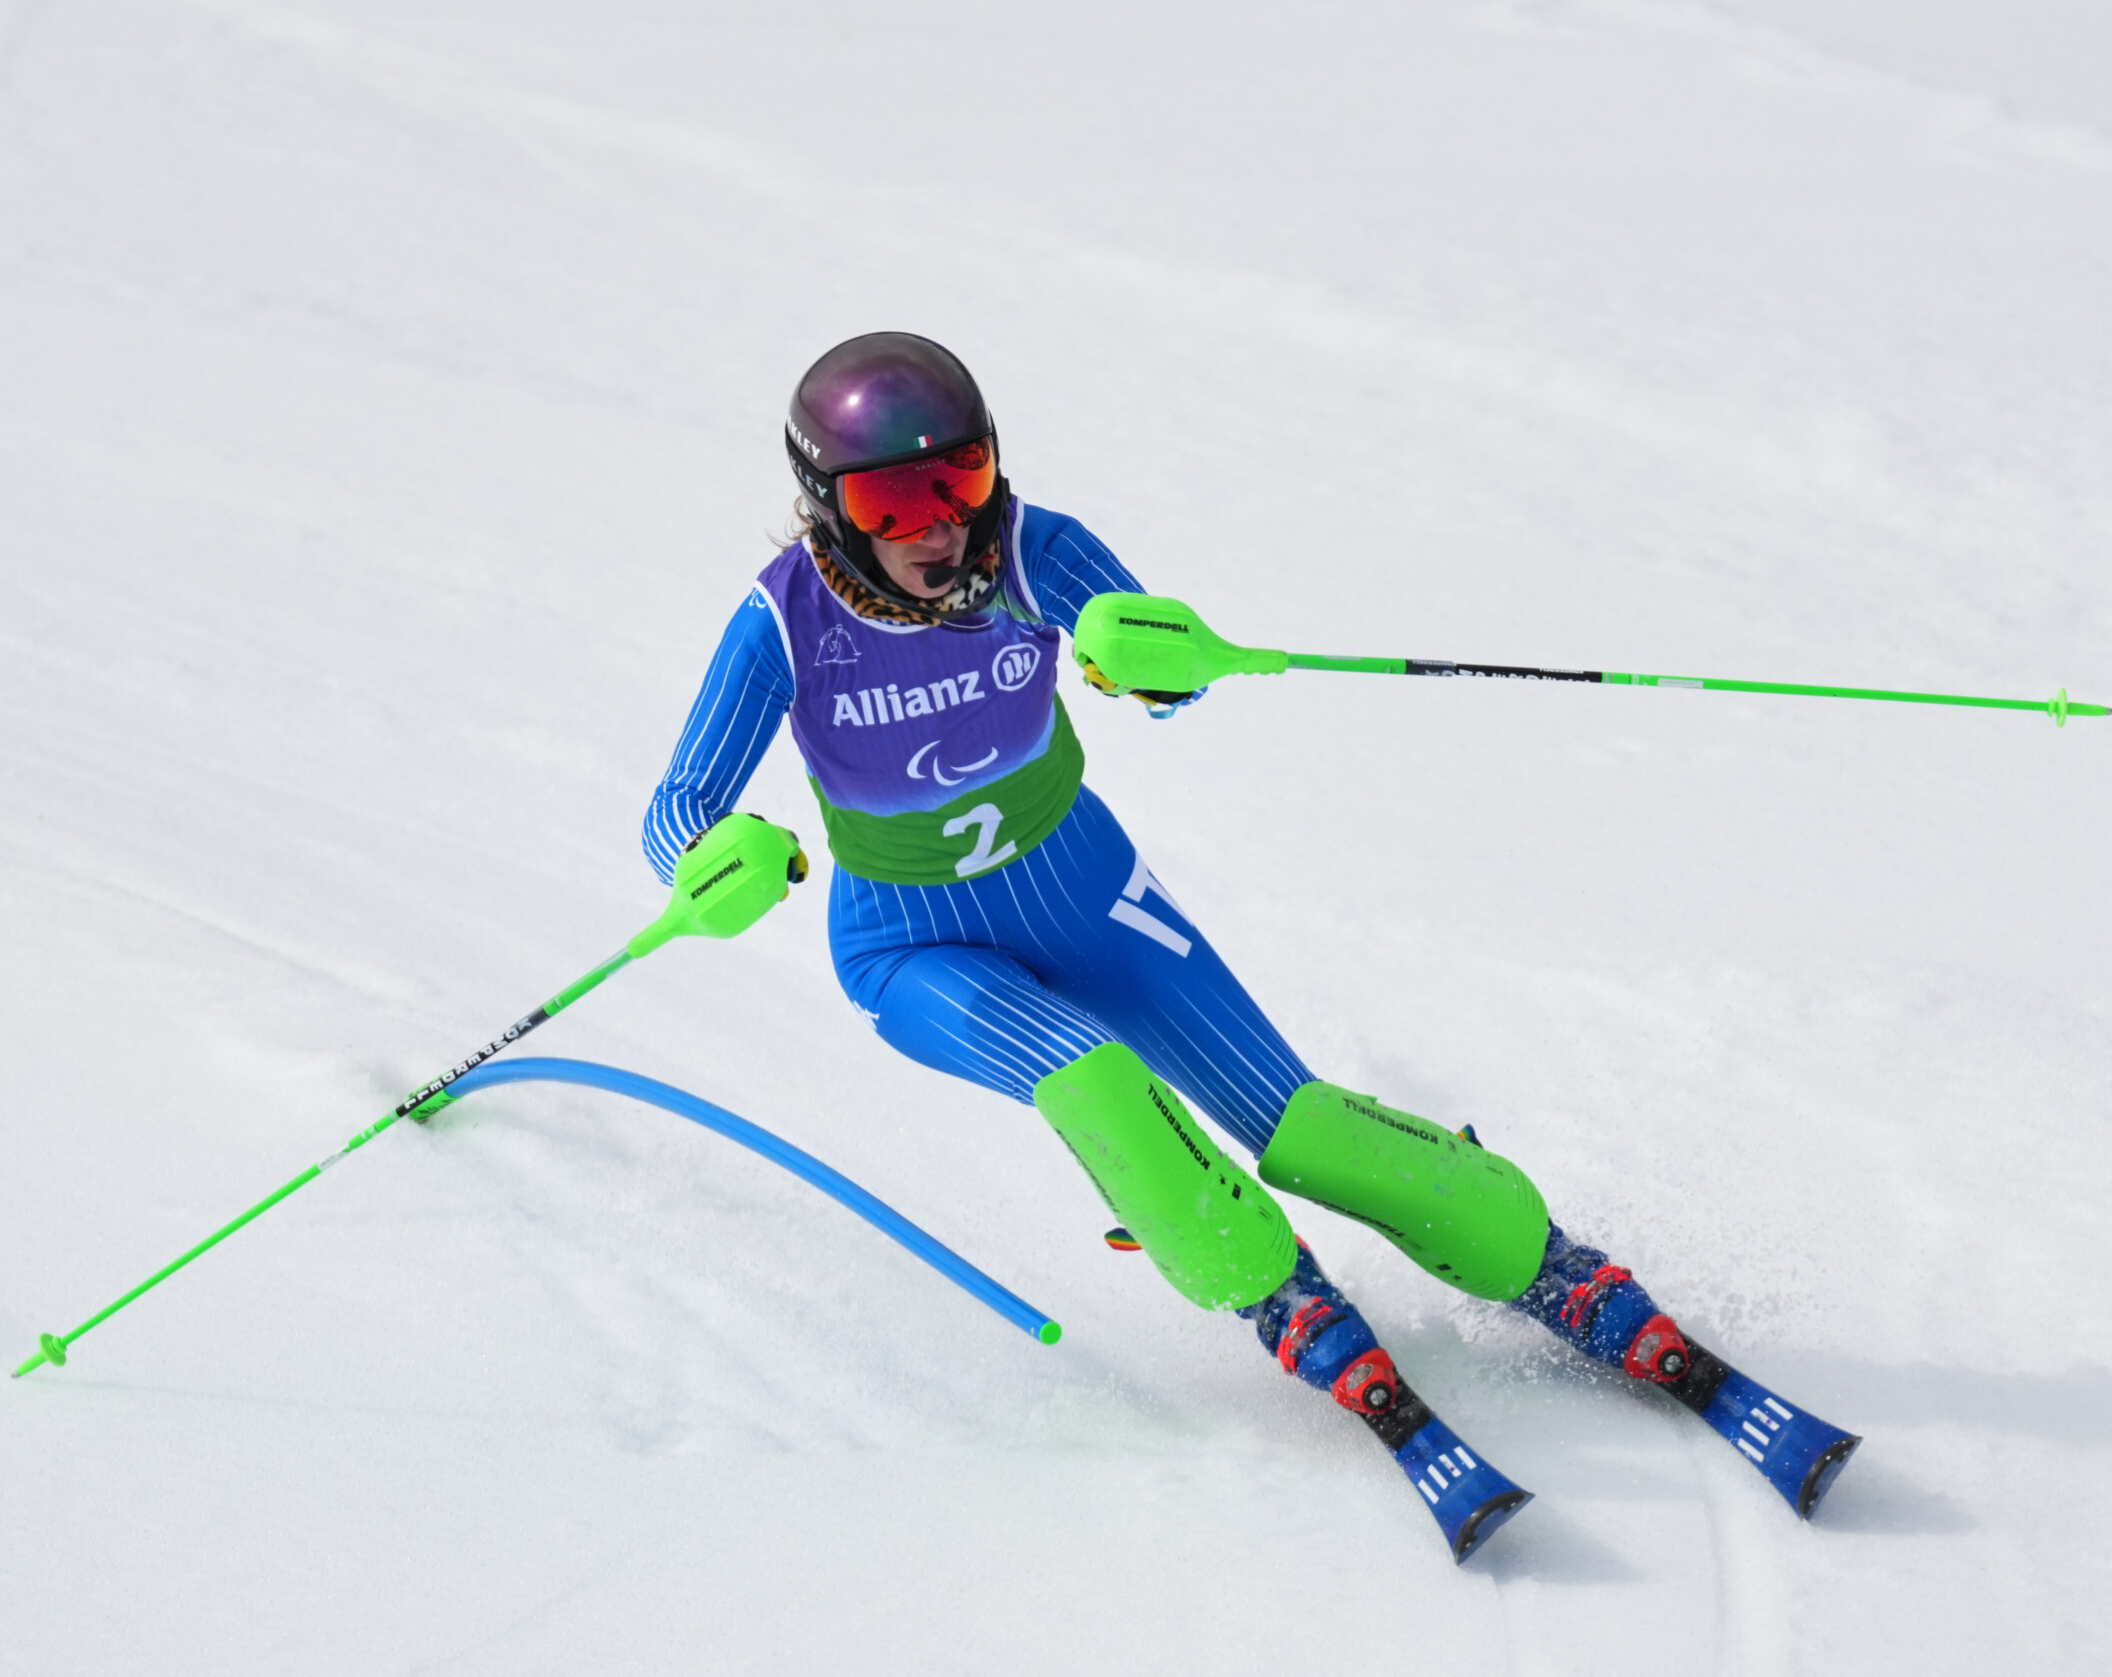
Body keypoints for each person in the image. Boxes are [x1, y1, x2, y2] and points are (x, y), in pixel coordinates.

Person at [643, 332, 1857, 1561]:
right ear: (825, 509)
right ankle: (1272, 1290)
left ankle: (1542, 1261)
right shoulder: (786, 623)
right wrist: (709, 864)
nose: (936, 524)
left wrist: (1162, 659)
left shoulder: (1034, 549)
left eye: (959, 479)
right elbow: (675, 809)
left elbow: (1147, 648)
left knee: (1311, 1133)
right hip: (913, 944)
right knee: (1101, 1085)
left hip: (1084, 888)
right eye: (890, 500)